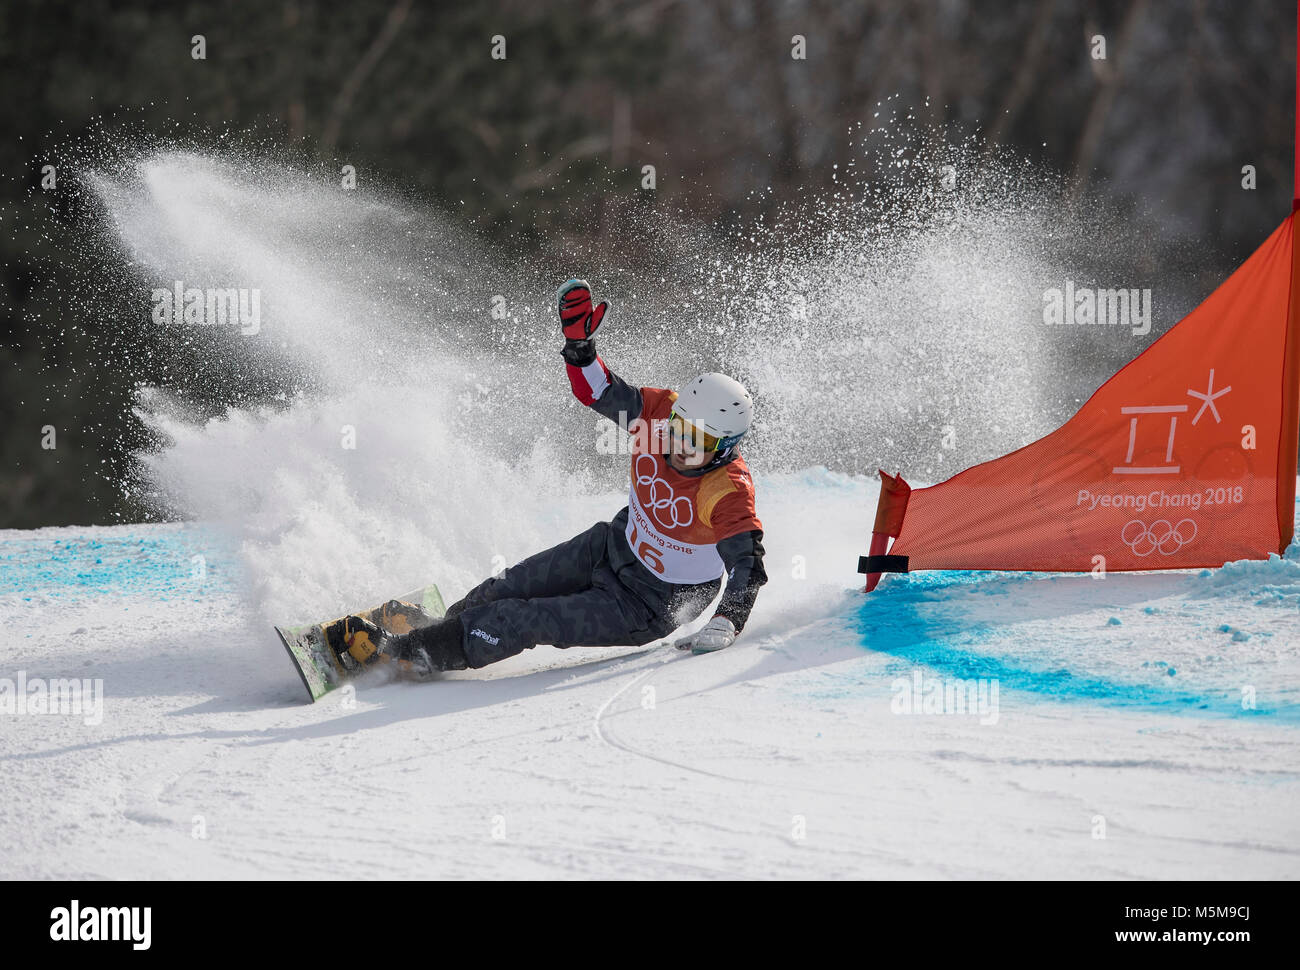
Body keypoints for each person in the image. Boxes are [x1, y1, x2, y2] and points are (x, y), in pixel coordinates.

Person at [326, 279, 767, 678]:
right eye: (677, 427)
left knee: (521, 618)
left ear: (725, 448)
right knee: (505, 587)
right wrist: (581, 348)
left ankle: (404, 653)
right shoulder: (657, 415)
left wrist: (727, 619)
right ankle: (442, 632)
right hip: (611, 547)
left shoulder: (726, 489)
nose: (680, 444)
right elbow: (598, 391)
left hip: (646, 603)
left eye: (699, 441)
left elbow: (748, 568)